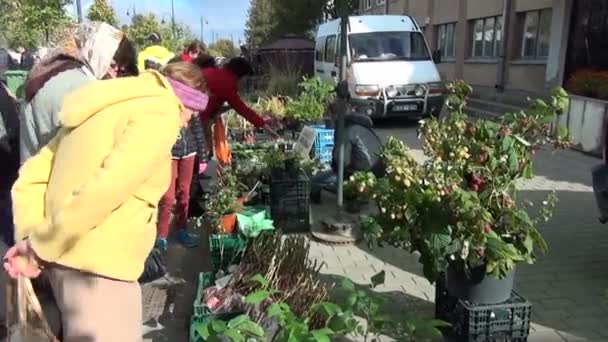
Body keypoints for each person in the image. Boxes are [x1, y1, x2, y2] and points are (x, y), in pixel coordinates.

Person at [4, 62, 208, 341]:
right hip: (101, 270)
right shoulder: (161, 110)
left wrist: (32, 239)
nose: (186, 123)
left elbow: (33, 175)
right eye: (191, 116)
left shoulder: (103, 104)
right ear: (187, 102)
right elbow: (107, 187)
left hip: (61, 267)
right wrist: (40, 248)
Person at [19, 21, 138, 162]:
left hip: (30, 175)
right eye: (113, 66)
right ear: (99, 55)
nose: (114, 75)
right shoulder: (85, 89)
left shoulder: (50, 71)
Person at [156, 105, 207, 250]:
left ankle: (182, 229)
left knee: (184, 193)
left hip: (189, 153)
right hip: (170, 154)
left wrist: (202, 157)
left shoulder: (191, 104)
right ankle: (162, 235)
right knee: (168, 196)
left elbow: (198, 130)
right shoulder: (167, 104)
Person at [198, 57, 279, 140]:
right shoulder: (228, 84)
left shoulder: (211, 71)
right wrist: (268, 129)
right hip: (195, 117)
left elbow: (211, 100)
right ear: (241, 75)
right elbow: (244, 110)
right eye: (246, 79)